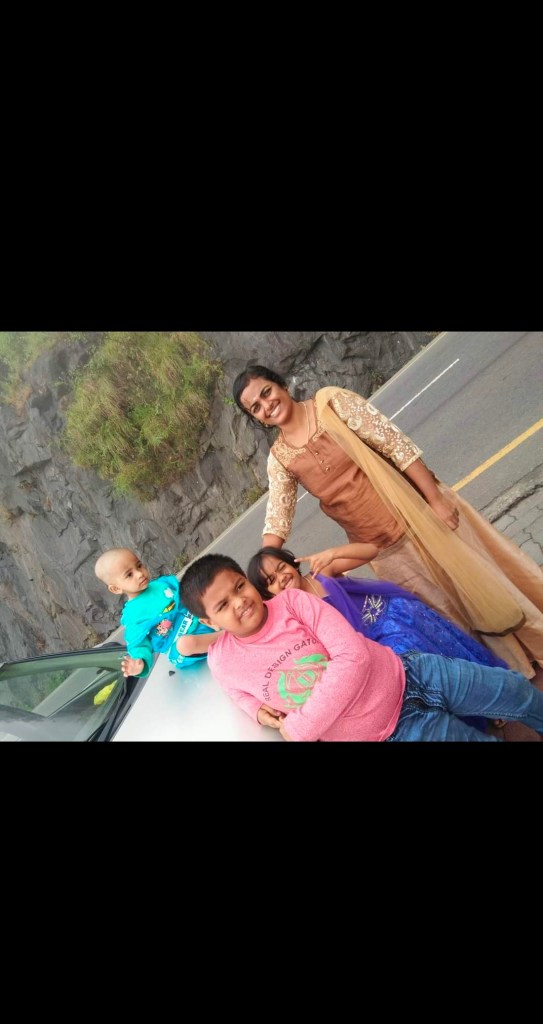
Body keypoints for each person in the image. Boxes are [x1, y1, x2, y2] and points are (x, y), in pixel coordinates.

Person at [232, 364, 543, 678]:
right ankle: (509, 673)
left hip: (421, 513)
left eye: (266, 392)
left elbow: (394, 444)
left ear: (282, 385)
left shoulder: (331, 403)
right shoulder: (281, 459)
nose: (266, 405)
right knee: (445, 614)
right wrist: (261, 577)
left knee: (481, 583)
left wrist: (435, 499)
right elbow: (278, 516)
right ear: (257, 418)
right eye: (255, 407)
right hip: (383, 549)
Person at [179, 553, 543, 742]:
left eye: (239, 587)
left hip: (413, 673)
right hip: (390, 733)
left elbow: (352, 657)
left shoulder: (293, 603)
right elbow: (236, 691)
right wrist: (258, 711)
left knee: (517, 692)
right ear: (210, 621)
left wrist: (301, 727)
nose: (240, 601)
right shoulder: (222, 660)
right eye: (223, 605)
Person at [94, 548, 220, 678]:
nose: (139, 574)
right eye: (129, 575)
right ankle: (222, 636)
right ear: (116, 588)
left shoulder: (161, 584)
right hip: (180, 643)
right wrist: (140, 662)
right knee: (185, 644)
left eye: (139, 565)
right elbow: (138, 644)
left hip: (199, 620)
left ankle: (221, 629)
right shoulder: (132, 616)